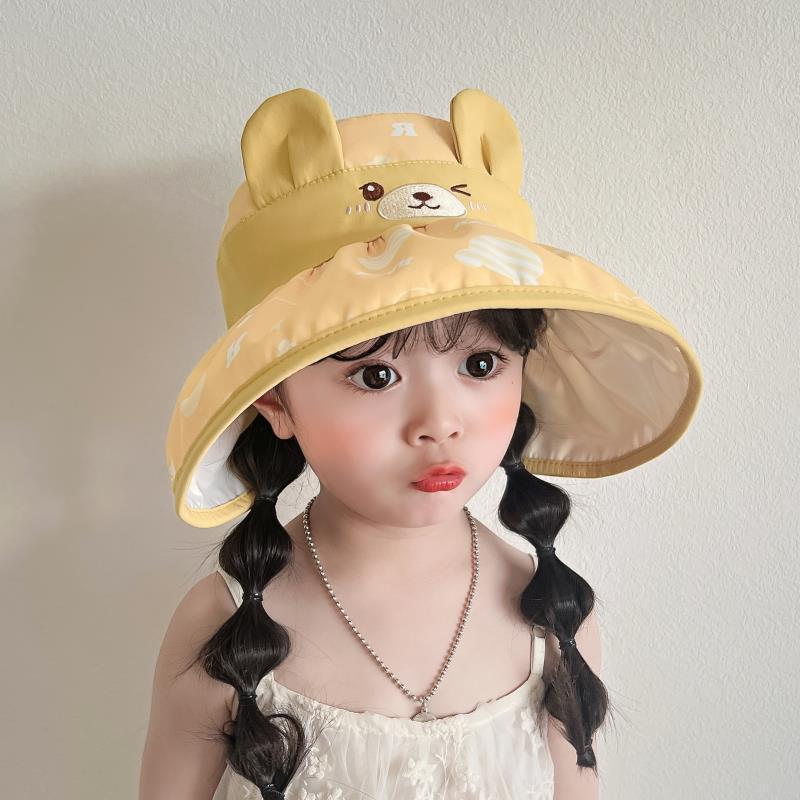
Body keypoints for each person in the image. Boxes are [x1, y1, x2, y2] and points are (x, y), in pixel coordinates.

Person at [139, 87, 703, 800]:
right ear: (273, 398)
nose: (440, 422)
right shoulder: (222, 627)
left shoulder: (554, 616)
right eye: (376, 375)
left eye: (481, 364)